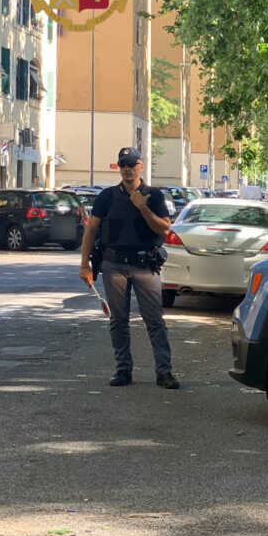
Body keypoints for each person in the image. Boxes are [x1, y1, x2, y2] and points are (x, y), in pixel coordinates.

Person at [79, 147, 179, 388]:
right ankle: (123, 370)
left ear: (140, 166)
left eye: (131, 164)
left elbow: (164, 229)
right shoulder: (107, 196)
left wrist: (142, 207)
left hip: (145, 265)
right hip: (114, 264)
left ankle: (164, 372)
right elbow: (91, 229)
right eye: (122, 164)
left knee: (154, 320)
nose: (126, 169)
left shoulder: (153, 195)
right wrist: (84, 265)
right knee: (118, 321)